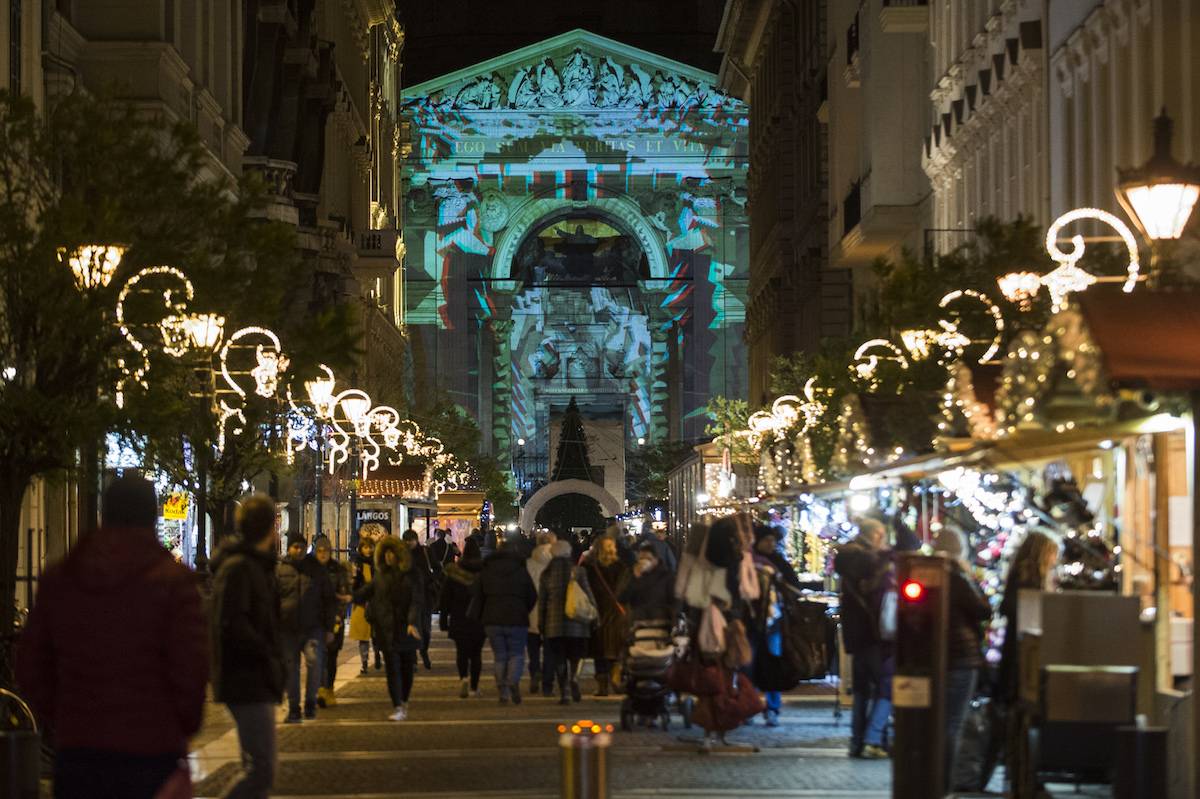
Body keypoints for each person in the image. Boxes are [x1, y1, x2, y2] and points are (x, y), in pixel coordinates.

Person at [16, 475, 207, 799]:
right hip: (152, 750)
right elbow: (191, 668)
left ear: (106, 514)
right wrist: (179, 726)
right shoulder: (174, 584)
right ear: (151, 516)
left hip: (79, 752)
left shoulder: (62, 579)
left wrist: (63, 716)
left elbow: (32, 664)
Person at [208, 494, 285, 799]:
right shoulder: (241, 568)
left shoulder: (252, 566)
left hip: (251, 676)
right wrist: (267, 655)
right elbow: (235, 625)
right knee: (261, 770)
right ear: (270, 528)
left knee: (258, 768)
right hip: (247, 678)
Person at [933, 528, 993, 791]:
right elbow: (983, 610)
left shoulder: (933, 573)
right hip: (961, 657)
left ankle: (935, 776)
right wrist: (973, 579)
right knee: (953, 722)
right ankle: (945, 781)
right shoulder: (957, 576)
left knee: (940, 719)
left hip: (938, 657)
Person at [833, 518, 892, 758]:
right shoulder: (871, 560)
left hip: (856, 634)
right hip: (874, 633)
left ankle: (857, 740)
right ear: (877, 535)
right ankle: (873, 740)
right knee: (883, 687)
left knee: (860, 691)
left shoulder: (848, 558)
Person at [354, 535, 425, 720]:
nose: (388, 557)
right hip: (387, 631)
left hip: (407, 629)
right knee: (392, 669)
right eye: (385, 553)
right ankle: (398, 705)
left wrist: (411, 622)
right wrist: (350, 592)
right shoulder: (381, 576)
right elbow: (364, 592)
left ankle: (404, 700)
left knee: (407, 669)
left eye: (391, 553)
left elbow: (416, 601)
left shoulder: (412, 574)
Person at [276, 533, 336, 722]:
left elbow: (328, 599)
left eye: (302, 547)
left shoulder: (317, 569)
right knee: (291, 668)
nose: (299, 550)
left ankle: (310, 703)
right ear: (289, 548)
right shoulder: (280, 570)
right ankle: (294, 708)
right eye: (295, 547)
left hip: (313, 626)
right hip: (287, 628)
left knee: (314, 662)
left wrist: (329, 628)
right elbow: (272, 598)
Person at [749, 524, 802, 726]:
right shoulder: (749, 562)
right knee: (751, 663)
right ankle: (751, 704)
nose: (771, 544)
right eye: (766, 540)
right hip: (752, 621)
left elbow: (794, 586)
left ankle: (772, 707)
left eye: (772, 540)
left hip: (774, 622)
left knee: (773, 662)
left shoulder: (779, 562)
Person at [477, 529, 538, 704]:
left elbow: (479, 594)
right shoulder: (521, 569)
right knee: (516, 654)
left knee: (500, 656)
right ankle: (512, 681)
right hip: (517, 617)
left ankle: (502, 691)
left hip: (493, 618)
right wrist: (524, 609)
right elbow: (532, 595)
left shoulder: (487, 569)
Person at [539, 539, 596, 703]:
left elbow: (542, 601)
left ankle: (564, 689)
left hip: (553, 623)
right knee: (575, 655)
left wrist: (542, 623)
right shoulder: (578, 572)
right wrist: (595, 615)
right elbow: (588, 596)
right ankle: (574, 677)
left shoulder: (547, 574)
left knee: (559, 658)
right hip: (577, 623)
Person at [439, 537, 487, 698]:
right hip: (479, 618)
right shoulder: (483, 573)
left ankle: (464, 678)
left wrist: (443, 619)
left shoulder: (455, 572)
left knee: (462, 652)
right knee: (476, 654)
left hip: (459, 617)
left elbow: (445, 598)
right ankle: (474, 687)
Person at [585, 535, 631, 695]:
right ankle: (615, 679)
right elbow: (626, 592)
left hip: (597, 612)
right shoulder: (623, 568)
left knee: (600, 651)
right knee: (616, 649)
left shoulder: (591, 568)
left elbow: (587, 590)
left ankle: (602, 685)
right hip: (618, 614)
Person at [314, 535, 353, 708]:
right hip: (315, 620)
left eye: (326, 551)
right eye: (319, 551)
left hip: (334, 619)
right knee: (318, 657)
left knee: (331, 656)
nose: (322, 554)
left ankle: (328, 688)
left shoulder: (337, 570)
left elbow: (344, 595)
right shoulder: (311, 569)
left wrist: (339, 614)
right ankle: (321, 689)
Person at [526, 530, 557, 693]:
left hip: (531, 613)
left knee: (533, 649)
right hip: (552, 613)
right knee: (550, 651)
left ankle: (534, 672)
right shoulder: (557, 564)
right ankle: (547, 683)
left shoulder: (529, 563)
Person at [619, 539, 676, 624]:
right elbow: (623, 599)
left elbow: (674, 601)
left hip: (660, 623)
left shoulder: (666, 576)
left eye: (649, 558)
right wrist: (635, 578)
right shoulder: (635, 576)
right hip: (639, 623)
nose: (644, 561)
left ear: (656, 560)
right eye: (641, 558)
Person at [402, 529, 436, 670]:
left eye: (411, 540)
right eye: (406, 540)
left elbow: (437, 568)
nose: (409, 543)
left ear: (417, 540)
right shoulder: (401, 555)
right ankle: (413, 659)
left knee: (426, 630)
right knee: (411, 628)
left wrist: (429, 580)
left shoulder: (425, 552)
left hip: (425, 596)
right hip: (407, 598)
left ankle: (424, 651)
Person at [349, 537, 382, 674]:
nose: (368, 550)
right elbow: (353, 586)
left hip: (375, 604)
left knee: (376, 635)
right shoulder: (357, 564)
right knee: (363, 637)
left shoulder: (378, 564)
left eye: (370, 547)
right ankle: (364, 663)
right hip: (361, 604)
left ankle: (378, 656)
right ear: (361, 548)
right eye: (365, 547)